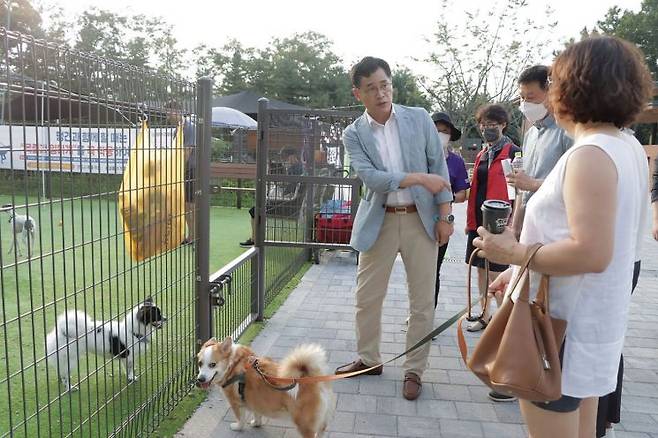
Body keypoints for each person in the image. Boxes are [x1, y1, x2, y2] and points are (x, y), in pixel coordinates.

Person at [475, 36, 652, 438]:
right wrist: (521, 272)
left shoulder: (590, 154)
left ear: (574, 87)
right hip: (586, 326)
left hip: (559, 329)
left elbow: (591, 253)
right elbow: (578, 236)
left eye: (555, 81)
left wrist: (514, 252)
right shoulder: (625, 146)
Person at [334, 56, 453, 401]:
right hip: (379, 220)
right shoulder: (353, 133)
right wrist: (417, 178)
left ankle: (414, 369)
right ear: (359, 93)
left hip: (422, 219)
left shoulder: (418, 118)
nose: (380, 93)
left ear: (391, 84)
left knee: (422, 300)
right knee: (367, 297)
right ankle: (368, 359)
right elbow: (371, 178)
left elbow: (439, 167)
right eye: (371, 88)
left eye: (384, 84)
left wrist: (445, 215)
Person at [465, 104, 521, 333]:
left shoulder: (513, 152)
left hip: (499, 221)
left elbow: (519, 191)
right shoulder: (482, 153)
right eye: (484, 124)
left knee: (498, 272)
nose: (488, 129)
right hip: (477, 219)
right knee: (480, 267)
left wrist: (512, 222)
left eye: (493, 125)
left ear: (503, 125)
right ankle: (485, 314)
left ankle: (503, 321)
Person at [508, 65, 573, 239]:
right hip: (531, 224)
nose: (525, 104)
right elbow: (524, 188)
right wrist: (515, 227)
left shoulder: (567, 132)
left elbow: (575, 184)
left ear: (551, 92)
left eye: (531, 98)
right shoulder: (530, 135)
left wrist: (533, 183)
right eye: (522, 98)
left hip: (557, 227)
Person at [431, 112, 469, 308]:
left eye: (445, 132)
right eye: (436, 130)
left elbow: (462, 194)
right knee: (417, 270)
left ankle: (428, 316)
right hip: (416, 218)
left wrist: (445, 197)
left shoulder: (456, 162)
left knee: (433, 269)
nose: (440, 134)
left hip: (443, 219)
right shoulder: (418, 157)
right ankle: (416, 314)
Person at [240, 149, 303, 247]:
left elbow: (291, 188)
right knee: (259, 206)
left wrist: (282, 191)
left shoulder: (294, 169)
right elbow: (291, 186)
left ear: (292, 156)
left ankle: (255, 239)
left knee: (254, 210)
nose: (285, 160)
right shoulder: (299, 168)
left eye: (285, 158)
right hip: (290, 202)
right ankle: (256, 237)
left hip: (286, 204)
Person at [166, 101, 196, 244]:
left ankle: (193, 236)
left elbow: (186, 153)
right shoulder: (178, 128)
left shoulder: (188, 127)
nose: (167, 115)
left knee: (190, 204)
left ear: (178, 111)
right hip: (184, 170)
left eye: (169, 111)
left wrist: (176, 171)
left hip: (191, 170)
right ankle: (191, 235)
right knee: (185, 204)